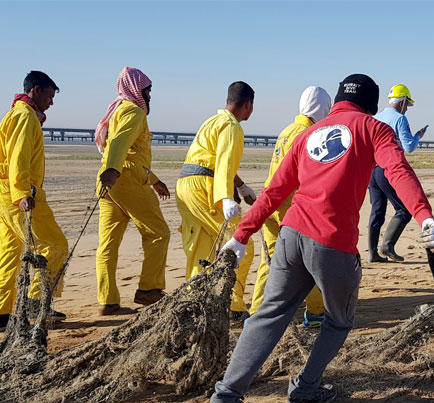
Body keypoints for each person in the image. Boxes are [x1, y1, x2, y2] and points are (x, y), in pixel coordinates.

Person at [206, 74, 434, 403]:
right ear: (371, 104)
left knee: (268, 314)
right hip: (332, 242)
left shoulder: (308, 135)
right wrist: (425, 217)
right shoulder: (373, 128)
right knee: (339, 319)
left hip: (291, 235)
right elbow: (397, 169)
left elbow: (273, 192)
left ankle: (226, 397)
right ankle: (306, 389)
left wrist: (241, 235)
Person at [249, 85, 332, 327]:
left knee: (270, 262)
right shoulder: (311, 134)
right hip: (293, 207)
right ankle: (316, 313)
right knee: (310, 260)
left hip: (271, 204)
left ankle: (256, 314)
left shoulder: (287, 131)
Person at [175, 81, 257, 322]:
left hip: (186, 186)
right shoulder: (232, 127)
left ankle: (192, 303)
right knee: (242, 244)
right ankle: (234, 306)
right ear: (248, 104)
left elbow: (213, 160)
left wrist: (240, 186)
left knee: (201, 247)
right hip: (205, 188)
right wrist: (225, 197)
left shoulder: (213, 121)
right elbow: (224, 163)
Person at [95, 67, 171, 315]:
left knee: (108, 244)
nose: (149, 95)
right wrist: (114, 170)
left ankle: (107, 301)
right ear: (137, 89)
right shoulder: (134, 111)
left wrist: (154, 180)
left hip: (110, 182)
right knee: (158, 233)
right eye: (147, 90)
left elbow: (127, 151)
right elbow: (120, 144)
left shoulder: (116, 110)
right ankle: (149, 289)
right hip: (125, 179)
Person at [0, 71, 68, 331]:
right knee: (54, 245)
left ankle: (2, 313)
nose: (51, 102)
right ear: (36, 90)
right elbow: (18, 157)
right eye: (49, 96)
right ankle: (37, 302)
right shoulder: (25, 116)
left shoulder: (16, 114)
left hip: (5, 194)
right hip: (18, 194)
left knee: (10, 253)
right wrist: (22, 194)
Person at [367, 84, 428, 263]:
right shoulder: (400, 119)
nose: (407, 108)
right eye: (407, 104)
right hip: (387, 169)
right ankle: (387, 246)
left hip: (371, 171)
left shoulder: (375, 118)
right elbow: (409, 146)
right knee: (404, 209)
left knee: (377, 210)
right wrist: (417, 136)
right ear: (401, 102)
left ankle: (372, 253)